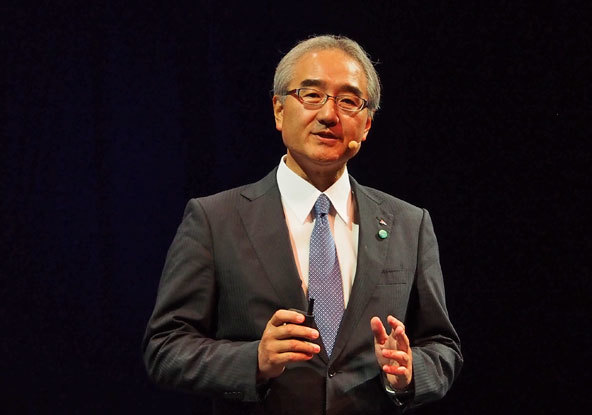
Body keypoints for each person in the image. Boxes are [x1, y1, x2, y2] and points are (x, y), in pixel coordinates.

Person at [143, 34, 462, 415]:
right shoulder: (215, 220)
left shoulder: (409, 224)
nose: (329, 115)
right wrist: (255, 361)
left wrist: (408, 373)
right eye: (311, 95)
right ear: (279, 110)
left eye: (349, 101)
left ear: (366, 125)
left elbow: (443, 347)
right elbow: (165, 348)